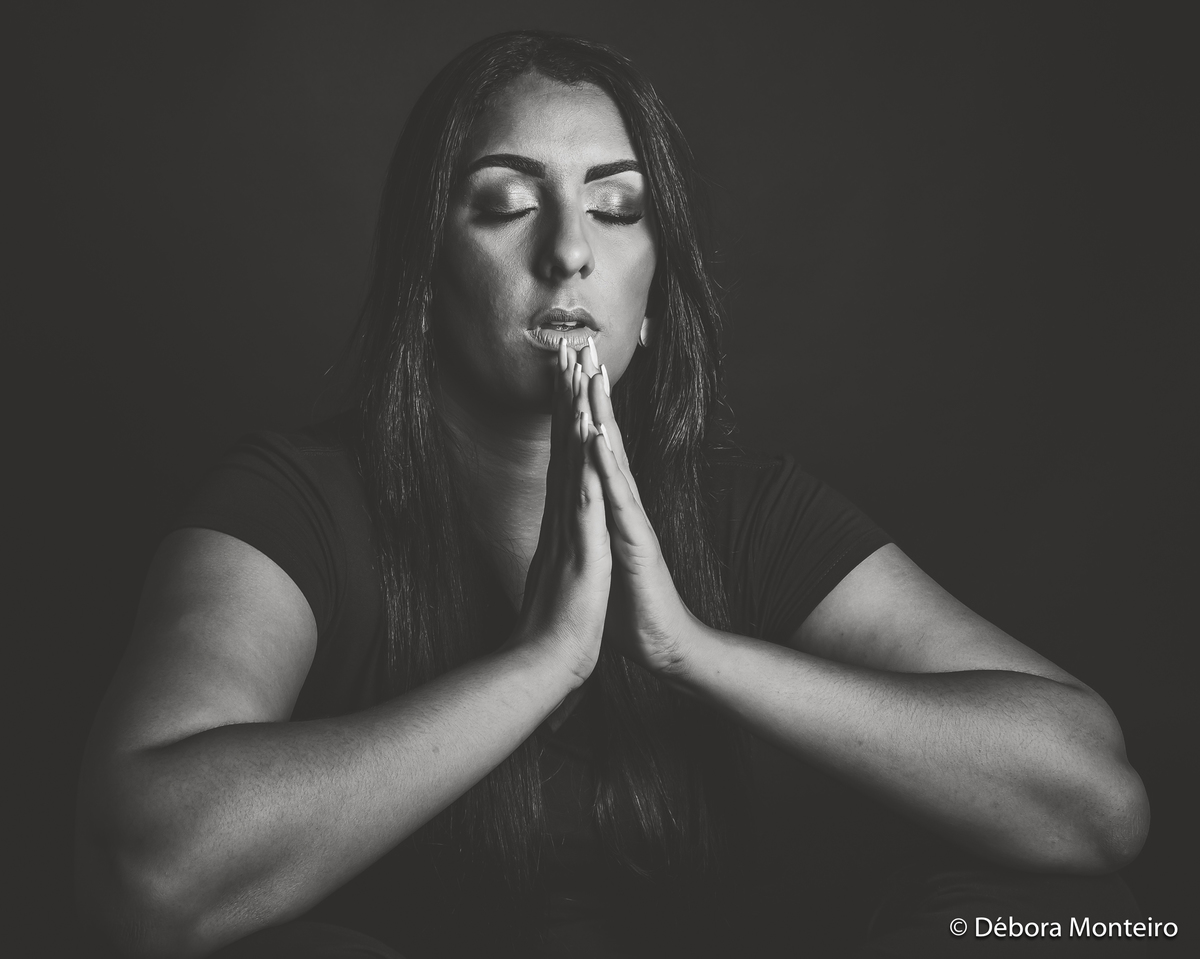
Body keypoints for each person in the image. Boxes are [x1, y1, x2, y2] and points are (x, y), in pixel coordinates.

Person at [75, 31, 1150, 959]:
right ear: (425, 276)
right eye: (506, 203)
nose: (569, 250)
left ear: (653, 293)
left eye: (617, 206)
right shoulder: (296, 502)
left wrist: (691, 648)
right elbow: (147, 870)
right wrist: (542, 662)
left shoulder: (746, 509)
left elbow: (1096, 803)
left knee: (1077, 923)